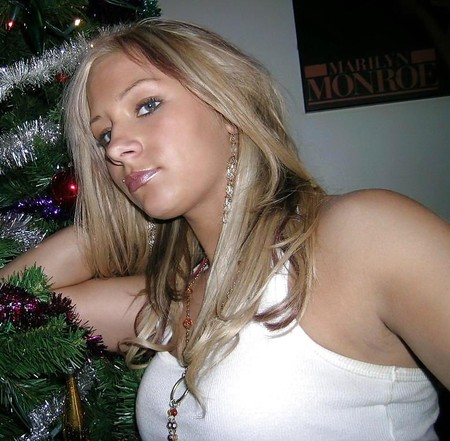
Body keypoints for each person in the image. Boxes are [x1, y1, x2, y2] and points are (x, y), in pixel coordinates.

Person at [1, 18, 449, 441]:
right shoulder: (172, 298)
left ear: (228, 107)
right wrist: (111, 223)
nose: (116, 148)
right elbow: (12, 303)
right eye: (103, 136)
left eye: (147, 105)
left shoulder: (364, 236)